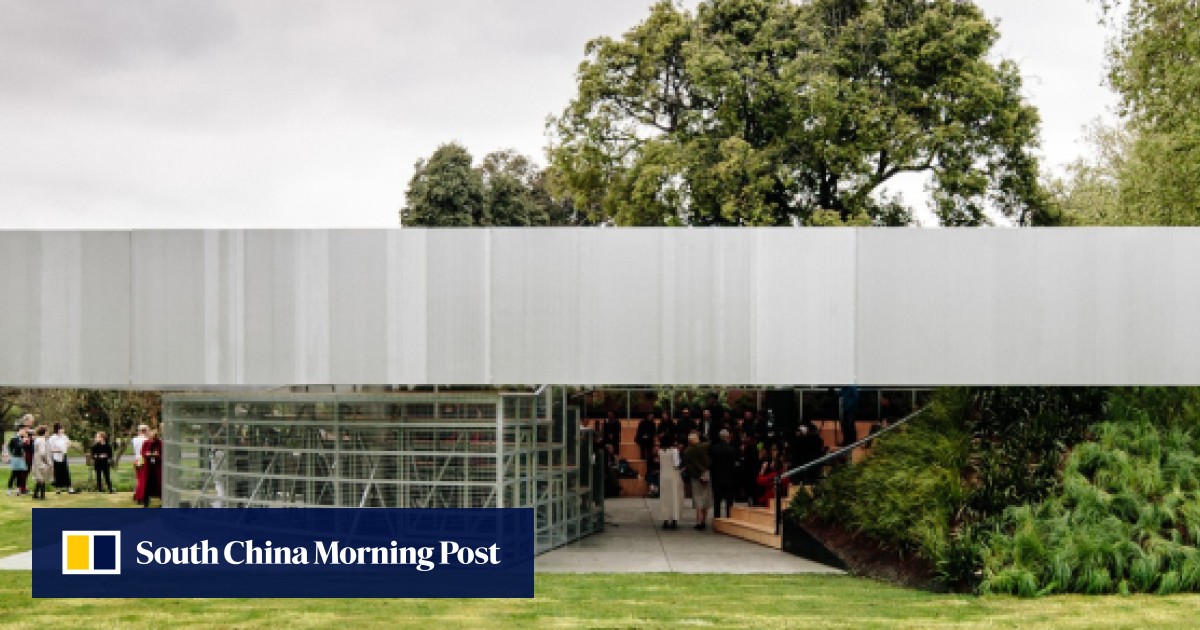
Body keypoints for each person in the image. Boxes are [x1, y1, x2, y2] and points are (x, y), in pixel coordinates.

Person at [682, 431, 712, 530]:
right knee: (706, 498)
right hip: (706, 473)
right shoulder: (704, 447)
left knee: (697, 498)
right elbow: (709, 443)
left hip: (696, 476)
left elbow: (688, 466)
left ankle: (698, 521)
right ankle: (704, 520)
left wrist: (695, 474)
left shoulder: (687, 452)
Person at [709, 429, 738, 519]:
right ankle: (729, 518)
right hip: (729, 478)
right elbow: (734, 466)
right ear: (727, 437)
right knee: (729, 501)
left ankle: (717, 519)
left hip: (717, 478)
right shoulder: (732, 450)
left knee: (717, 501)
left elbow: (711, 464)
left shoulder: (713, 449)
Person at [657, 435, 684, 530]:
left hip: (664, 476)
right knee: (674, 498)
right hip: (673, 476)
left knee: (665, 498)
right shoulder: (674, 451)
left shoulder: (660, 451)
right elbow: (676, 464)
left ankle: (665, 519)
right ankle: (674, 519)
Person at [49, 423, 75, 494]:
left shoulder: (64, 436)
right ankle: (58, 488)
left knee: (66, 472)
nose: (63, 430)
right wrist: (57, 450)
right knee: (57, 473)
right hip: (56, 457)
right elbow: (50, 449)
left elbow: (69, 443)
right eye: (61, 429)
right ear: (57, 430)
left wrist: (67, 446)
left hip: (63, 456)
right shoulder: (52, 438)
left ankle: (69, 488)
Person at [141, 429, 163, 507]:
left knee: (159, 484)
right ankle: (146, 502)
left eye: (154, 438)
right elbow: (143, 452)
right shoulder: (146, 443)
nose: (153, 439)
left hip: (157, 467)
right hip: (149, 467)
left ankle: (162, 501)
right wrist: (148, 454)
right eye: (152, 438)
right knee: (147, 484)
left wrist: (157, 455)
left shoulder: (160, 443)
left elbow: (163, 455)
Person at [31, 426, 52, 500]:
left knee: (39, 478)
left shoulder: (37, 439)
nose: (48, 433)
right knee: (42, 478)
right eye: (47, 432)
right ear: (45, 432)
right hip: (40, 460)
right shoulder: (42, 440)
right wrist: (46, 462)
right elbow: (42, 453)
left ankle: (35, 494)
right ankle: (42, 496)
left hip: (36, 460)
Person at [6, 427, 29, 496]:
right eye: (23, 431)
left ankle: (18, 490)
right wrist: (11, 454)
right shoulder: (14, 439)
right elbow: (15, 447)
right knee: (14, 474)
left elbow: (25, 448)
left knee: (20, 474)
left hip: (21, 458)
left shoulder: (23, 439)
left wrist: (26, 443)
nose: (24, 432)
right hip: (16, 458)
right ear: (20, 430)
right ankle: (9, 489)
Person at [132, 424, 148, 503]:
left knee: (137, 478)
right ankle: (141, 495)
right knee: (142, 478)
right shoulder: (146, 440)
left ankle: (136, 493)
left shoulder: (134, 439)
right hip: (143, 459)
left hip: (136, 459)